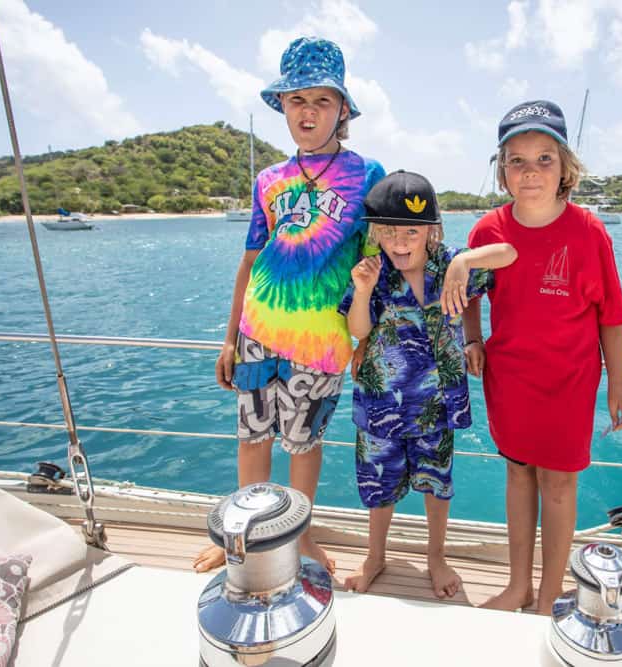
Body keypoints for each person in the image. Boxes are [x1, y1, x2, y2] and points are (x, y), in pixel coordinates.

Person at [193, 36, 385, 574]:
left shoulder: (368, 175)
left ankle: (298, 537)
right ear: (282, 107)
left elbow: (375, 267)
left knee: (303, 445)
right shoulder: (268, 180)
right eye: (297, 99)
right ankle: (244, 537)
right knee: (252, 438)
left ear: (342, 110)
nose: (308, 111)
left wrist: (364, 343)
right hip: (258, 331)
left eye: (322, 100)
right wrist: (229, 337)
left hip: (321, 341)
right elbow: (250, 261)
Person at [463, 100, 622, 614]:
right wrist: (472, 339)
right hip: (509, 377)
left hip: (570, 381)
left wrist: (618, 385)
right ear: (502, 170)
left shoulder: (589, 232)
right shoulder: (486, 232)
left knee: (559, 485)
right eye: (516, 160)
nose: (530, 171)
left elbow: (611, 315)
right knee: (518, 475)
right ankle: (518, 586)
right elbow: (470, 295)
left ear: (565, 168)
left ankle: (546, 596)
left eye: (543, 158)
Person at [338, 170, 517, 598]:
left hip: (436, 404)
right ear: (377, 233)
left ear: (430, 231)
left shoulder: (451, 263)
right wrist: (361, 293)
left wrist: (465, 260)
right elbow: (359, 332)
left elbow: (509, 252)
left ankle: (436, 556)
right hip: (381, 402)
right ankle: (374, 555)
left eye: (411, 232)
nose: (400, 242)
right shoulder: (373, 273)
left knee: (437, 483)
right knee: (379, 486)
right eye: (389, 232)